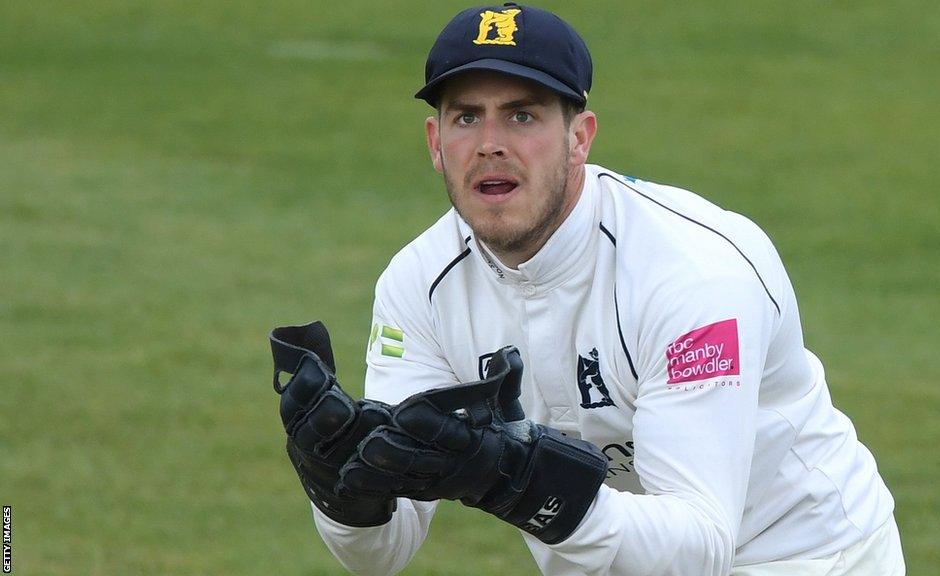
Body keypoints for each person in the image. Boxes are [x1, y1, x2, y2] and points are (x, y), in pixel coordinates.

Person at [272, 3, 905, 575]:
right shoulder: (418, 287)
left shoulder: (691, 273)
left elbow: (700, 544)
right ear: (437, 144)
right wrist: (343, 492)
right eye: (467, 117)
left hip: (807, 556)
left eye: (522, 114)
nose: (491, 144)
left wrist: (516, 482)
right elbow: (385, 554)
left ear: (580, 138)